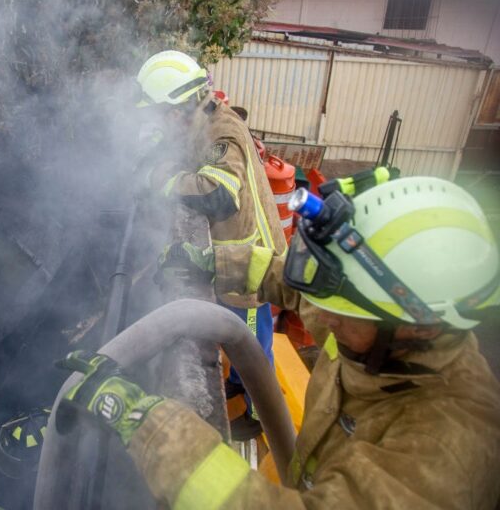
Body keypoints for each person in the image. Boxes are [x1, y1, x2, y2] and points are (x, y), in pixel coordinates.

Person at [57, 176, 500, 509]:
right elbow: (293, 286)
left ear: (422, 327)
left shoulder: (449, 451)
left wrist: (147, 423)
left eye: (344, 311)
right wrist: (210, 262)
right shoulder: (371, 328)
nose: (323, 319)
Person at [136, 50, 287, 429]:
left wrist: (163, 181)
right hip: (231, 255)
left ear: (174, 109)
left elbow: (218, 194)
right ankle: (239, 383)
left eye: (157, 113)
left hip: (251, 265)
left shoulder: (222, 130)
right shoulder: (200, 123)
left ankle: (258, 414)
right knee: (236, 333)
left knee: (251, 343)